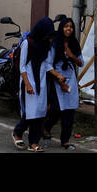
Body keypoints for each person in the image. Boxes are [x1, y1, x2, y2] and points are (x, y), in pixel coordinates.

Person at [17, 17, 55, 152]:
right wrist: (27, 84)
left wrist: (58, 75)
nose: (49, 38)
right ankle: (17, 132)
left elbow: (46, 65)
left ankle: (33, 143)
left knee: (39, 114)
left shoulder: (46, 47)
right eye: (47, 35)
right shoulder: (28, 43)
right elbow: (22, 67)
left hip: (41, 84)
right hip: (29, 81)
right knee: (29, 113)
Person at [45, 14, 82, 150]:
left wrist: (71, 54)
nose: (69, 29)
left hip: (70, 79)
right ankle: (46, 127)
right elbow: (48, 64)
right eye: (66, 26)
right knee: (56, 109)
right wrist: (58, 76)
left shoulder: (74, 43)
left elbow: (81, 62)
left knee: (69, 112)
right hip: (57, 79)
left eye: (71, 27)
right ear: (61, 28)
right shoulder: (55, 44)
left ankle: (65, 141)